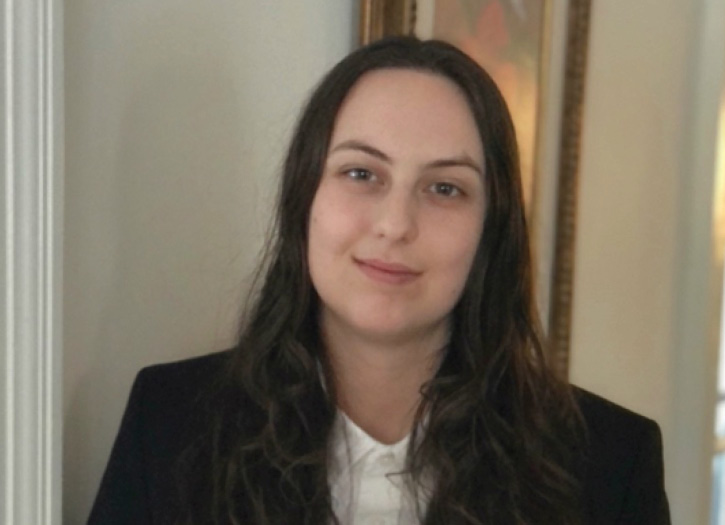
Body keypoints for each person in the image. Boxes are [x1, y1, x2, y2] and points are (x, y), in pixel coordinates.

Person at [88, 36, 670, 524]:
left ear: (490, 229)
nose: (395, 225)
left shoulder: (609, 463)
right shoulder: (169, 425)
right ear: (304, 198)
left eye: (445, 188)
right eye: (361, 173)